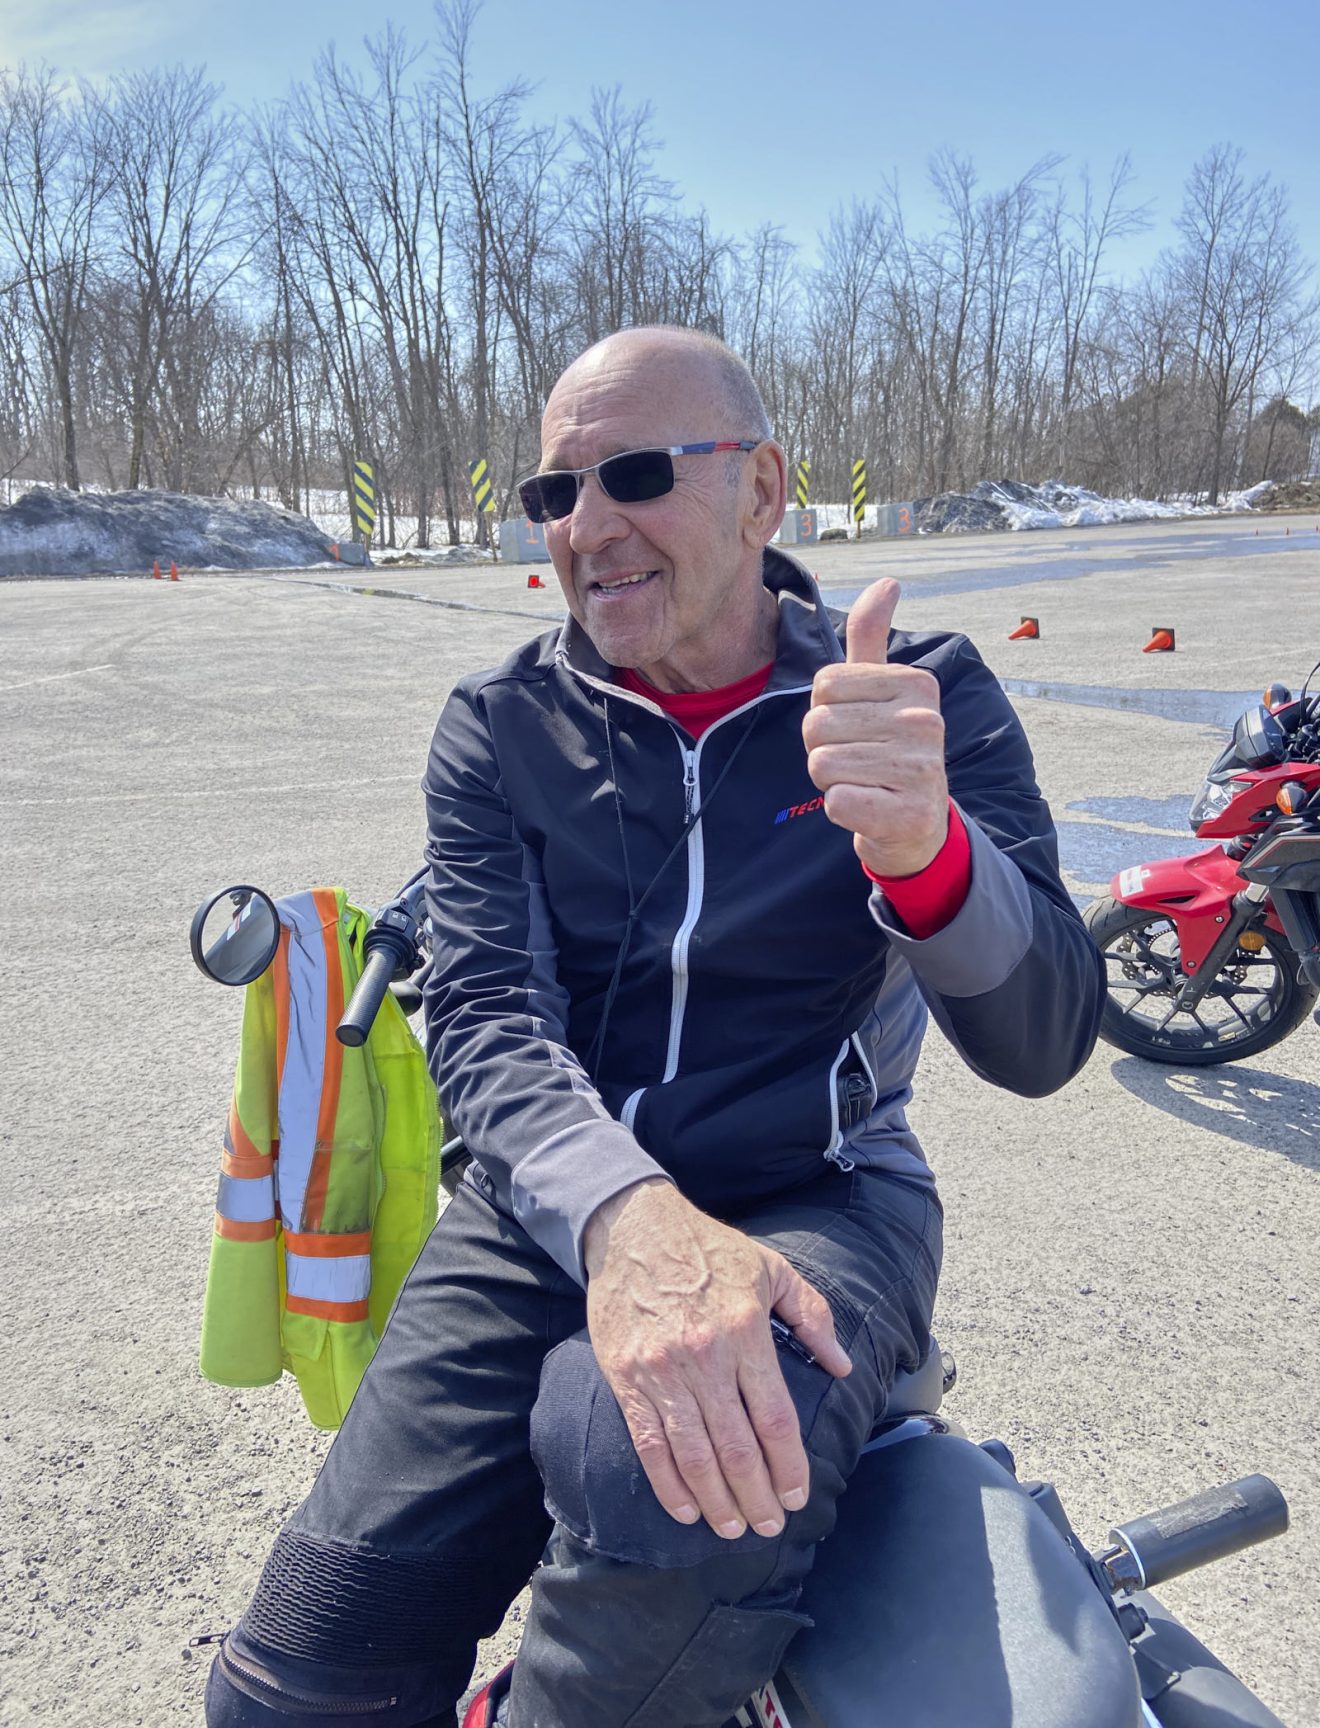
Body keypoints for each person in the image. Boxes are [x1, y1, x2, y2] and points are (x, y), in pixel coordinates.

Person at [204, 326, 1104, 1728]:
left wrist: (931, 855)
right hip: (545, 1208)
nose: (588, 526)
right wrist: (624, 1216)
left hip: (822, 1191)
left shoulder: (915, 696)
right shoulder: (499, 723)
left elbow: (1043, 1041)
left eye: (633, 473)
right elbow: (491, 1019)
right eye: (554, 494)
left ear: (761, 492)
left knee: (659, 1472)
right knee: (295, 1681)